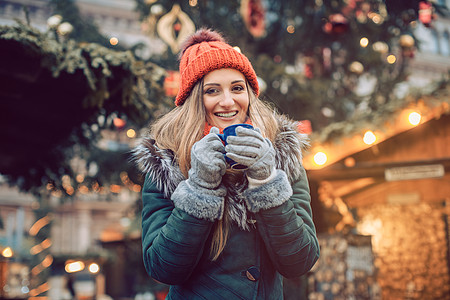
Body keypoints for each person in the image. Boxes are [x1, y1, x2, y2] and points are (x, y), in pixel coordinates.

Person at [133, 28, 319, 299]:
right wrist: (199, 188)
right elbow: (163, 268)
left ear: (249, 94)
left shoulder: (281, 155)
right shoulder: (167, 160)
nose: (228, 102)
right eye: (212, 91)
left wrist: (266, 181)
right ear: (195, 100)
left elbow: (300, 261)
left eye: (237, 88)